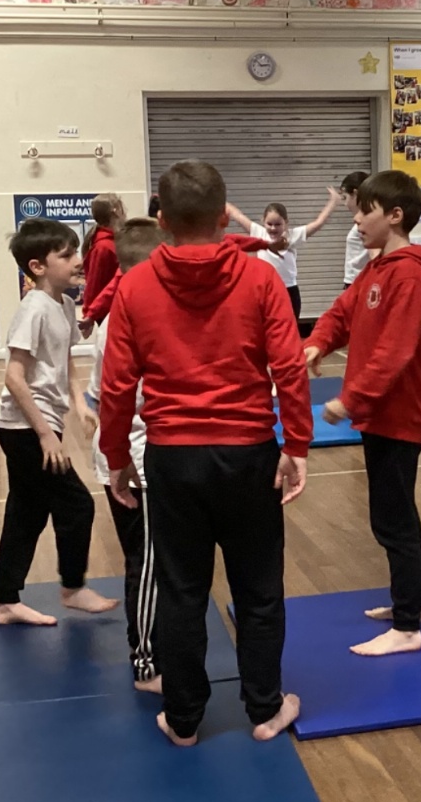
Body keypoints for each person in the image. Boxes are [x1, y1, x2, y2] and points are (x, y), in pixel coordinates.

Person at [100, 160, 311, 745]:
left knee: (182, 591)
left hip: (174, 460)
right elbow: (289, 368)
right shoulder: (261, 279)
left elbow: (117, 386)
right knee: (259, 590)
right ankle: (265, 710)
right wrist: (297, 444)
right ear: (224, 217)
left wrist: (116, 457)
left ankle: (184, 719)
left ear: (162, 221)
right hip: (248, 456)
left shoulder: (134, 286)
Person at [304, 170, 421, 656]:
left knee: (393, 520)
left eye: (366, 211)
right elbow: (343, 312)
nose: (357, 220)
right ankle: (413, 603)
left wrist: (350, 399)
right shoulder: (378, 267)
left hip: (400, 416)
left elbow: (395, 351)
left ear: (395, 215)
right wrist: (317, 343)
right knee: (393, 515)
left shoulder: (410, 274)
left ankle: (407, 627)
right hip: (381, 416)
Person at [0, 218, 118, 626]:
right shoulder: (33, 309)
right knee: (78, 505)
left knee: (26, 512)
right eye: (66, 255)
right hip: (24, 429)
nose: (79, 261)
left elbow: (64, 361)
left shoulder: (62, 304)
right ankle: (72, 588)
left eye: (76, 251)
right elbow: (14, 377)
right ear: (38, 266)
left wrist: (80, 404)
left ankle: (6, 601)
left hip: (37, 425)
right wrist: (46, 434)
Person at [84, 219, 167, 692]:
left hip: (128, 457)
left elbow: (97, 397)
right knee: (147, 561)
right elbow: (113, 399)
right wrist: (120, 460)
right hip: (135, 463)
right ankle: (147, 662)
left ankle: (155, 646)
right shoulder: (125, 320)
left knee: (153, 558)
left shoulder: (120, 316)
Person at [229, 188, 344, 318]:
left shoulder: (293, 236)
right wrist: (221, 202)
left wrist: (333, 202)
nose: (273, 228)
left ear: (286, 223)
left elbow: (318, 223)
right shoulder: (259, 232)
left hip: (289, 289)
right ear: (263, 221)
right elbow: (237, 216)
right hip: (266, 289)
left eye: (278, 224)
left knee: (290, 326)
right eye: (269, 224)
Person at [79, 193, 126, 330]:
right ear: (116, 211)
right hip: (109, 312)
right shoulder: (104, 247)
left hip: (114, 307)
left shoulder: (113, 242)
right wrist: (89, 313)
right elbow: (94, 283)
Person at [339, 171, 374, 289]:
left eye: (345, 198)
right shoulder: (363, 219)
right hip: (356, 281)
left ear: (355, 193)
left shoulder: (367, 221)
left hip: (359, 282)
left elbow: (375, 254)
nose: (345, 204)